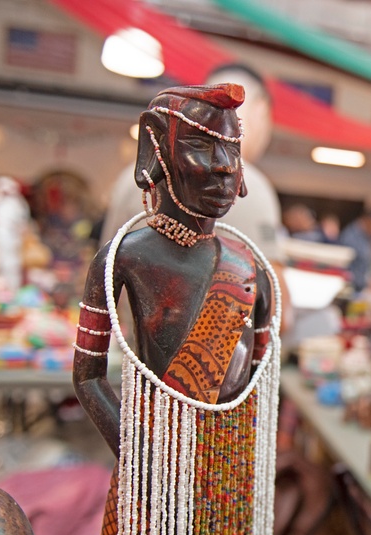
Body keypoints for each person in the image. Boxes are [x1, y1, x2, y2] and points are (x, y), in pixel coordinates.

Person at [73, 83, 281, 535]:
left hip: (228, 480)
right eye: (200, 148)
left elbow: (262, 384)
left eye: (231, 152)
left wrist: (245, 459)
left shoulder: (251, 271)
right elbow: (88, 377)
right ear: (156, 154)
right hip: (150, 473)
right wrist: (143, 461)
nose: (222, 170)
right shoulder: (125, 257)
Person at [99, 62, 293, 333]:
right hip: (216, 369)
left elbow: (105, 289)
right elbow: (278, 315)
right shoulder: (254, 187)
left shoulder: (128, 179)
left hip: (133, 362)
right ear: (261, 110)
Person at [339, 209, 371, 292]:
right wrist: (366, 282)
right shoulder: (350, 237)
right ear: (369, 221)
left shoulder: (365, 236)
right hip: (350, 289)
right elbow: (346, 268)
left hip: (361, 287)